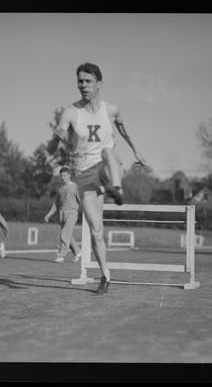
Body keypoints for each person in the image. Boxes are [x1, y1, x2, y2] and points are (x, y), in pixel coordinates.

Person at [46, 62, 146, 295]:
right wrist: (56, 138)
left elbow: (122, 128)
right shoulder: (71, 112)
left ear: (99, 84)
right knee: (96, 231)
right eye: (80, 81)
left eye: (88, 81)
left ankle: (116, 189)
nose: (83, 85)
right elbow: (52, 149)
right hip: (82, 176)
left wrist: (135, 150)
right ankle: (106, 276)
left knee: (109, 152)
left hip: (104, 167)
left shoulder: (111, 110)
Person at [43, 166, 82, 263]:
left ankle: (61, 255)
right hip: (62, 213)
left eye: (64, 175)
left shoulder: (74, 186)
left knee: (64, 233)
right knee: (68, 235)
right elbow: (56, 204)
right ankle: (78, 251)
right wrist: (48, 215)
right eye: (61, 176)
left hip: (72, 212)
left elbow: (80, 199)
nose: (62, 178)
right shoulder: (60, 189)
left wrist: (87, 212)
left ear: (69, 175)